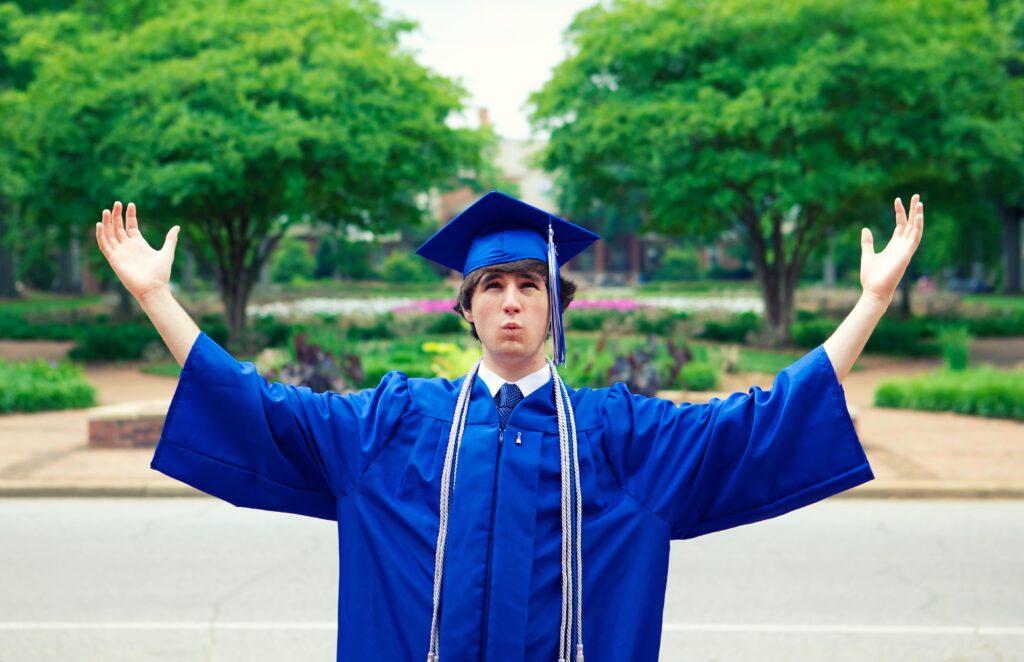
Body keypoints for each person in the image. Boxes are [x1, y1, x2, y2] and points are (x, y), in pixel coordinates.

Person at [94, 190, 924, 661]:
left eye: (532, 284)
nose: (514, 300)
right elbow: (258, 409)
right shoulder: (393, 427)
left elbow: (761, 424)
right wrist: (156, 299)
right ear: (466, 308)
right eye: (492, 286)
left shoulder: (619, 439)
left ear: (559, 305)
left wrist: (871, 302)